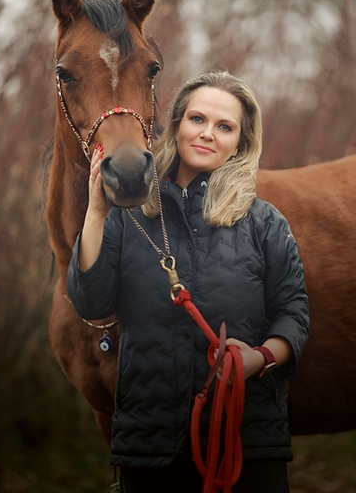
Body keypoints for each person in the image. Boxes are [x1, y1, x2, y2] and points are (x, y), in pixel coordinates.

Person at [67, 71, 310, 493]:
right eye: (197, 119)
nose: (207, 134)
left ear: (241, 142)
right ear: (176, 123)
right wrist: (95, 213)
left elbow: (294, 313)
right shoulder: (127, 220)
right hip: (150, 444)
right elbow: (91, 303)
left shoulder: (264, 222)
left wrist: (260, 359)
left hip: (246, 443)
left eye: (224, 126)